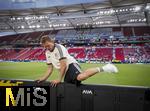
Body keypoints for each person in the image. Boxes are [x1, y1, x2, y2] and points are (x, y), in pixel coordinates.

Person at [36, 35, 118, 87]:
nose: (47, 48)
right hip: (66, 71)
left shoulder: (59, 48)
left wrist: (59, 79)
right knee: (70, 88)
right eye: (45, 47)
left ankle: (105, 68)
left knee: (80, 77)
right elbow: (50, 69)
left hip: (71, 65)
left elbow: (63, 65)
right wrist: (43, 79)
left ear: (52, 42)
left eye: (48, 46)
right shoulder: (47, 53)